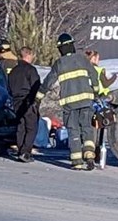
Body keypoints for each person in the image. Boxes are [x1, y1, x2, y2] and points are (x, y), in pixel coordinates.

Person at [39, 32, 101, 171]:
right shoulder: (82, 59)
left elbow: (49, 81)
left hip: (69, 104)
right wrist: (96, 91)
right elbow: (94, 75)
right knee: (87, 129)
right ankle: (90, 155)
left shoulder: (59, 63)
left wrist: (38, 97)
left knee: (73, 131)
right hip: (86, 101)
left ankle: (77, 162)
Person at [8, 47, 41, 162]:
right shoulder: (30, 70)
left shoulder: (13, 71)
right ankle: (25, 152)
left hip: (16, 101)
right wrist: (35, 101)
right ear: (28, 55)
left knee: (20, 126)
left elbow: (9, 87)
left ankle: (20, 149)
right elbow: (36, 86)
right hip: (28, 100)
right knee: (31, 127)